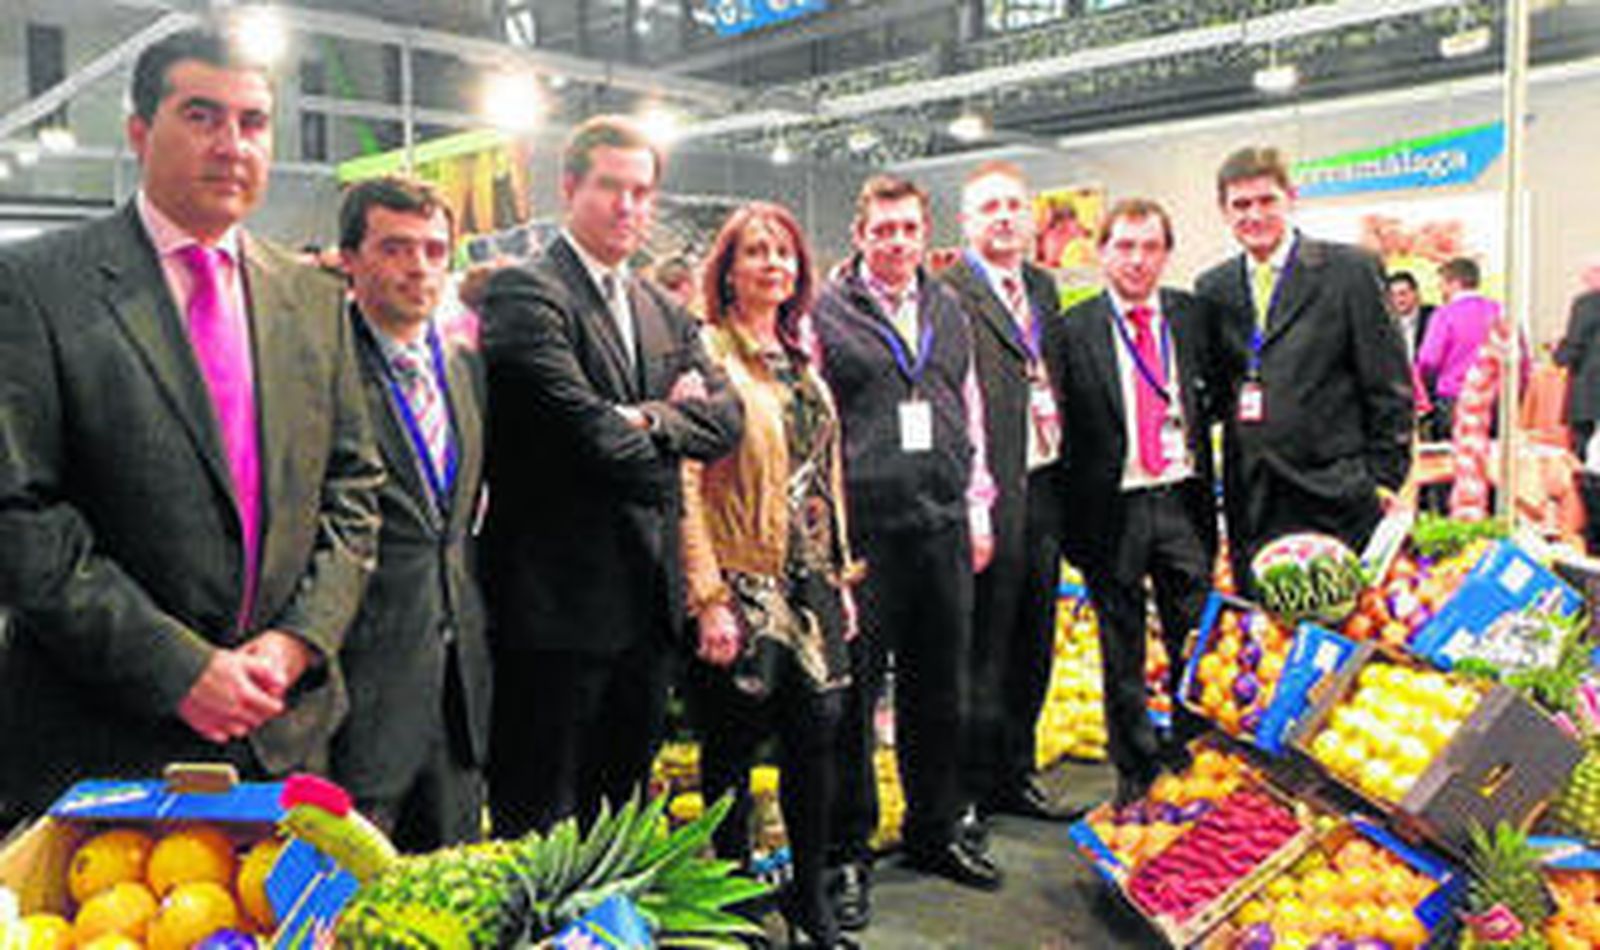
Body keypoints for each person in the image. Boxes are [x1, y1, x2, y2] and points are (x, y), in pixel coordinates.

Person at [0, 27, 383, 821]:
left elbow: (354, 490)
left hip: (285, 732)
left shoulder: (312, 299)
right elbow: (22, 516)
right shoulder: (38, 288)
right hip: (109, 740)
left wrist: (298, 642)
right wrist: (177, 668)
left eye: (252, 122)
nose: (232, 145)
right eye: (202, 116)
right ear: (140, 133)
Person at [479, 115, 742, 837]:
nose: (629, 207)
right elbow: (590, 439)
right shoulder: (525, 297)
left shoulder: (663, 307)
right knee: (539, 823)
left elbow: (727, 423)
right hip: (555, 613)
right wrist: (662, 427)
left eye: (642, 191)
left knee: (620, 818)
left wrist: (645, 421)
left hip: (646, 610)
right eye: (610, 188)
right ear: (570, 188)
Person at [815, 175, 1002, 926]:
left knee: (939, 689)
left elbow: (972, 411)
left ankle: (934, 829)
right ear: (859, 233)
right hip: (864, 538)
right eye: (882, 229)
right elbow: (815, 426)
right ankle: (846, 854)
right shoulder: (824, 315)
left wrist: (978, 504)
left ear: (924, 233)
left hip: (942, 527)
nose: (896, 242)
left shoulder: (948, 308)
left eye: (907, 229)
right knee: (855, 700)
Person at [681, 202, 864, 949]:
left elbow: (829, 474)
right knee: (730, 751)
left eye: (784, 252)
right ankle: (731, 906)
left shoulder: (801, 360)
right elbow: (685, 480)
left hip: (812, 585)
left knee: (814, 743)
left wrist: (842, 578)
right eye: (755, 251)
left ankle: (809, 902)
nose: (772, 264)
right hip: (742, 583)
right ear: (727, 269)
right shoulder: (704, 358)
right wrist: (707, 596)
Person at [329, 177, 492, 851]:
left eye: (433, 249)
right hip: (358, 691)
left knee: (446, 895)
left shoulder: (465, 368)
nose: (419, 267)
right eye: (395, 248)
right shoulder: (317, 368)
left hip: (459, 691)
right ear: (350, 259)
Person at [1045, 199, 1218, 805]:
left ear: (1167, 253)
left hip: (1181, 501)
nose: (1138, 260)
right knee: (1121, 649)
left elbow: (1215, 397)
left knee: (1194, 637)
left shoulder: (1193, 318)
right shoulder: (1073, 329)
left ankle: (1200, 756)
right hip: (1111, 506)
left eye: (1150, 247)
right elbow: (1058, 429)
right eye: (1125, 246)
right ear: (1102, 252)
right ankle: (1136, 770)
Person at [1195, 146, 1412, 592]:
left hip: (1336, 491)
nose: (1254, 215)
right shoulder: (1213, 288)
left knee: (1342, 629)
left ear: (1290, 198)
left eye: (1266, 201)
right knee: (1261, 636)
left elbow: (1388, 382)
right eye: (1240, 205)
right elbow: (1217, 390)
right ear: (1223, 211)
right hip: (1252, 495)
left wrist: (1382, 479)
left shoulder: (1349, 271)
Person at [938, 162, 1073, 824]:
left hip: (1044, 486)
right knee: (979, 647)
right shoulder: (949, 292)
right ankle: (965, 789)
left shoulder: (1044, 288)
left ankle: (1014, 772)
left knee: (1033, 639)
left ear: (1030, 217)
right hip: (986, 496)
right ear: (966, 223)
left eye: (1014, 205)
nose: (1003, 216)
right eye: (988, 207)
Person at [1417, 257, 1526, 441]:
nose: (1440, 290)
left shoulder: (1444, 315)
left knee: (1453, 459)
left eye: (1442, 284)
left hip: (1455, 398)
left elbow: (1429, 359)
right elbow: (1520, 359)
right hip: (1496, 399)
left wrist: (1423, 385)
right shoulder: (1501, 312)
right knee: (1492, 457)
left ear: (1454, 283)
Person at [1556, 258, 1600, 552]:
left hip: (1592, 396)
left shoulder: (1586, 304)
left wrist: (1559, 354)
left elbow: (1572, 349)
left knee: (1587, 469)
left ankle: (1592, 536)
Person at [1386, 271, 1433, 367]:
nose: (1399, 300)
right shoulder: (1386, 324)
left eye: (1403, 294)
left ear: (1415, 293)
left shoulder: (1433, 317)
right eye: (1393, 295)